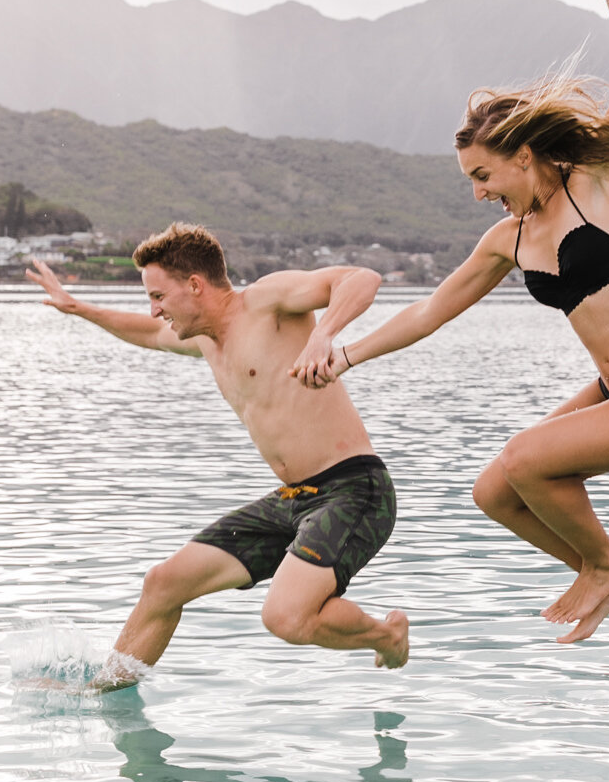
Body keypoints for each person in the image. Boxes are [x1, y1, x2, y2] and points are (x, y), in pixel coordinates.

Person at [292, 0, 609, 645]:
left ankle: (608, 568)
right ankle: (601, 571)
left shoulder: (597, 181)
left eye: (482, 174)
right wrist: (345, 354)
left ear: (523, 155)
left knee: (527, 459)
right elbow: (428, 311)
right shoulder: (506, 240)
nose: (477, 191)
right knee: (495, 488)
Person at [27, 224, 408, 678]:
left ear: (194, 284)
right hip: (293, 499)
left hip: (355, 489)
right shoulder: (207, 341)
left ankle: (386, 636)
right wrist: (77, 307)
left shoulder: (266, 302)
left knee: (285, 616)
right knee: (163, 583)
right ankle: (107, 691)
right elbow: (146, 333)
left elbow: (361, 279)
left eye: (159, 297)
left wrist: (323, 334)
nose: (154, 310)